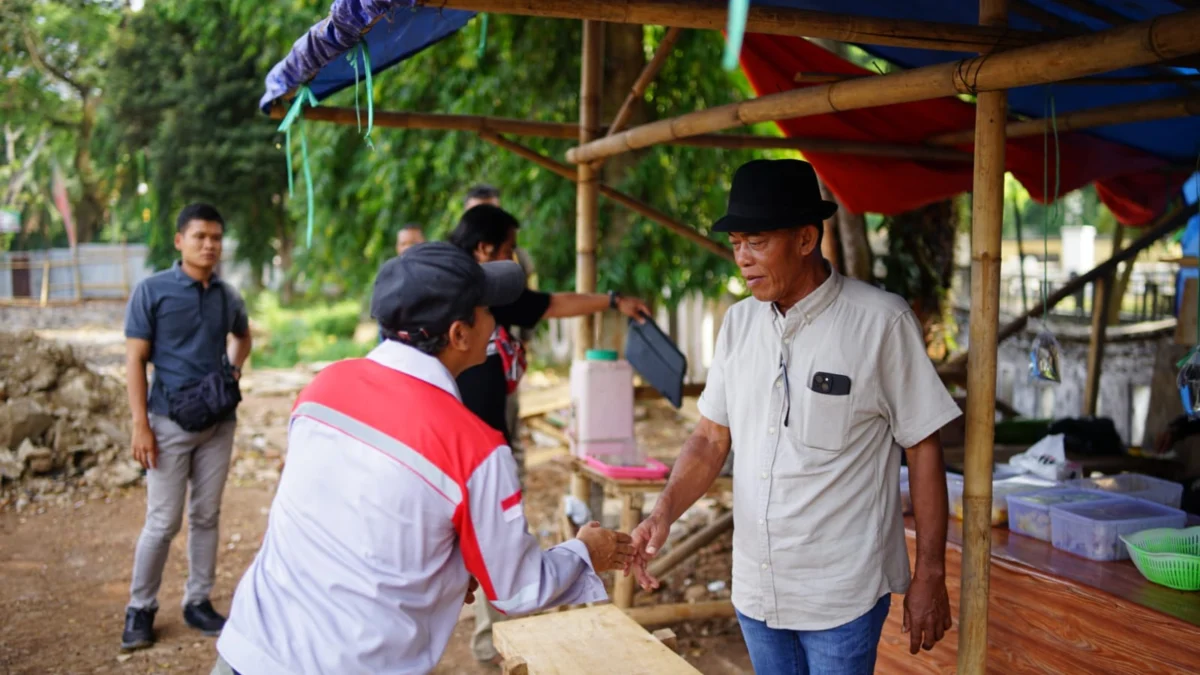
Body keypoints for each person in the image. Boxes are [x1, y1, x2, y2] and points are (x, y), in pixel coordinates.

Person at [213, 242, 632, 674]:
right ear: (458, 334)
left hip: (250, 648)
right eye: (488, 309)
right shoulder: (474, 449)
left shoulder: (324, 388)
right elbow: (517, 589)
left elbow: (351, 520)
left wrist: (443, 572)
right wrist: (584, 553)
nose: (496, 321)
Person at [626, 159, 962, 674]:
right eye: (737, 242)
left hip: (840, 596)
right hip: (757, 590)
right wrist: (664, 511)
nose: (742, 258)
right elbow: (711, 438)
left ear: (806, 239)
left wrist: (930, 574)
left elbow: (923, 446)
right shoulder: (739, 325)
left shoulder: (880, 321)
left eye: (757, 241)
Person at [448, 204, 651, 665]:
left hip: (485, 441)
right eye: (508, 249)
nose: (514, 259)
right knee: (483, 542)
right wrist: (582, 552)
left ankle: (492, 635)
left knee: (482, 544)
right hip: (473, 447)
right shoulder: (461, 295)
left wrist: (612, 301)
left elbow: (548, 304)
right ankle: (494, 636)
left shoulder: (489, 290)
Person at [121, 203, 252, 651]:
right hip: (167, 423)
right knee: (162, 521)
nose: (209, 244)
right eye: (200, 236)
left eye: (216, 237)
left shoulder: (226, 296)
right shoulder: (152, 291)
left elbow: (243, 335)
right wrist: (141, 425)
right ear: (179, 241)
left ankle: (198, 602)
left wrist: (231, 374)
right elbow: (135, 360)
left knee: (206, 515)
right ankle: (140, 609)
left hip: (219, 423)